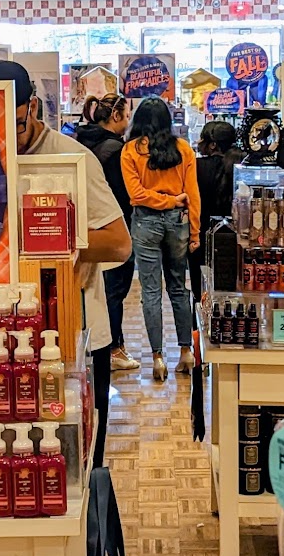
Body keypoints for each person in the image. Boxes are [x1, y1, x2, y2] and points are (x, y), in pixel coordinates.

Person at [0, 61, 133, 457]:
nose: (5, 138)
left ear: (32, 108)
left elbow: (118, 243)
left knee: (79, 459)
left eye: (15, 125)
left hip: (77, 337)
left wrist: (43, 241)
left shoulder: (72, 158)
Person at [121, 98, 200, 382]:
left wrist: (162, 201)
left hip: (145, 222)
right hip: (179, 222)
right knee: (179, 289)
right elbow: (193, 194)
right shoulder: (183, 149)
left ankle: (157, 358)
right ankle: (186, 352)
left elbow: (136, 195)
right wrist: (194, 231)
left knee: (151, 292)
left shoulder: (130, 151)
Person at [72, 94, 137, 376]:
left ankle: (99, 348)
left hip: (83, 231)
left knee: (95, 293)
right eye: (126, 116)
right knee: (114, 293)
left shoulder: (79, 142)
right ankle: (114, 349)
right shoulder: (115, 150)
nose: (128, 121)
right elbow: (122, 195)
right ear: (115, 116)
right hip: (110, 230)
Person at [193, 119, 239, 295]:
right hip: (232, 238)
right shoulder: (239, 165)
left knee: (201, 290)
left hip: (201, 234)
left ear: (212, 145)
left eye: (202, 139)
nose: (199, 142)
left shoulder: (197, 167)